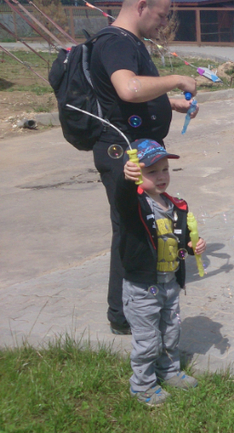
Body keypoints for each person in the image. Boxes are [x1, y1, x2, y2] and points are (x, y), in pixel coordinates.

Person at [90, 0, 198, 335]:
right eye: (163, 15)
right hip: (124, 153)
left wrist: (171, 104)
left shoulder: (129, 42)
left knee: (144, 225)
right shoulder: (116, 41)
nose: (164, 23)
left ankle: (132, 308)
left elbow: (126, 96)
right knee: (133, 227)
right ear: (141, 6)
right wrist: (175, 79)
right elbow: (128, 88)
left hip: (139, 149)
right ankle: (123, 314)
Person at [119, 139, 207, 406]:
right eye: (152, 171)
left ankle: (169, 372)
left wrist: (191, 247)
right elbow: (121, 197)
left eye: (165, 170)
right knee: (147, 340)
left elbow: (178, 243)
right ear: (137, 174)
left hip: (169, 284)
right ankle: (142, 386)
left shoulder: (176, 205)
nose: (161, 176)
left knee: (170, 332)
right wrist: (126, 179)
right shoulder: (135, 205)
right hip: (143, 287)